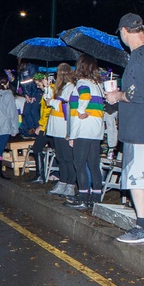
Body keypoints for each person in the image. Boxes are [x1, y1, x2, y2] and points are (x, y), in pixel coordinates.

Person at [106, 13, 144, 244]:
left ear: (124, 32)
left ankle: (143, 226)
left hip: (140, 129)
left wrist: (116, 95)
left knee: (137, 178)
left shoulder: (139, 56)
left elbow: (136, 94)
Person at [64, 55, 106, 209]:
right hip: (96, 129)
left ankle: (83, 197)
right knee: (94, 164)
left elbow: (85, 95)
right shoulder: (98, 85)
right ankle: (95, 197)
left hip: (83, 129)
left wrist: (81, 110)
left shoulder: (82, 83)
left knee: (79, 163)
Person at [46, 64, 75, 197]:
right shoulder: (60, 88)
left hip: (64, 127)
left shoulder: (71, 87)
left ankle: (70, 185)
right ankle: (62, 182)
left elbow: (67, 105)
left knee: (68, 157)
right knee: (61, 157)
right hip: (56, 127)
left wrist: (52, 102)